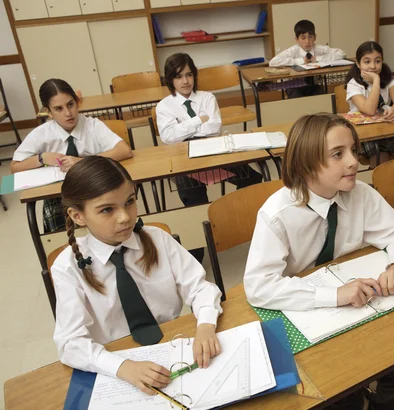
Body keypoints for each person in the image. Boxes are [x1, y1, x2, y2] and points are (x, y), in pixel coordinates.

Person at [245, 113, 394, 410]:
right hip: (308, 314)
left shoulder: (361, 195)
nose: (354, 161)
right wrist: (335, 295)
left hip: (359, 309)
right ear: (305, 163)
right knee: (342, 395)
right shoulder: (277, 214)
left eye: (354, 150)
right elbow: (258, 287)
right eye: (338, 154)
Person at [52, 156, 223, 394]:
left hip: (171, 346)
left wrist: (205, 324)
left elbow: (201, 288)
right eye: (107, 209)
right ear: (78, 216)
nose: (125, 217)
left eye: (130, 201)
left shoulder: (157, 239)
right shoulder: (67, 267)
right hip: (115, 362)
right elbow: (70, 344)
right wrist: (123, 367)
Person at [156, 53, 263, 261]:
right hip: (184, 158)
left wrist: (185, 128)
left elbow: (214, 127)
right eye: (179, 77)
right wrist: (198, 120)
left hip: (212, 152)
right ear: (170, 80)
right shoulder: (164, 106)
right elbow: (168, 137)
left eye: (189, 75)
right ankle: (197, 252)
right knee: (195, 202)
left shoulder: (207, 98)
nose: (185, 81)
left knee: (252, 178)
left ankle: (229, 220)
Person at [11, 78, 132, 232]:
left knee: (106, 220)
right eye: (58, 109)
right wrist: (41, 158)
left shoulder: (92, 126)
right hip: (59, 196)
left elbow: (124, 150)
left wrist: (83, 162)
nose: (68, 113)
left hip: (97, 190)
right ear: (48, 112)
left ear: (77, 102)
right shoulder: (41, 134)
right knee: (60, 233)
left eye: (70, 104)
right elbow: (15, 167)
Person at [345, 41, 394, 168]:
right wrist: (376, 81)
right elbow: (369, 109)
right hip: (363, 134)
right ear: (358, 64)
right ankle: (379, 184)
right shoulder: (353, 84)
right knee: (381, 155)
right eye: (367, 62)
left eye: (377, 61)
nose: (373, 66)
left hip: (386, 127)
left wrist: (393, 111)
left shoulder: (388, 77)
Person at [270, 19, 345, 98]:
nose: (307, 41)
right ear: (297, 39)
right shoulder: (293, 50)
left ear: (315, 37)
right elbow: (273, 62)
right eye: (303, 38)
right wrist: (299, 61)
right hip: (294, 86)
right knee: (298, 100)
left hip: (314, 85)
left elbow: (341, 53)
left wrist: (319, 58)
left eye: (310, 37)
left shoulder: (319, 48)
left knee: (322, 99)